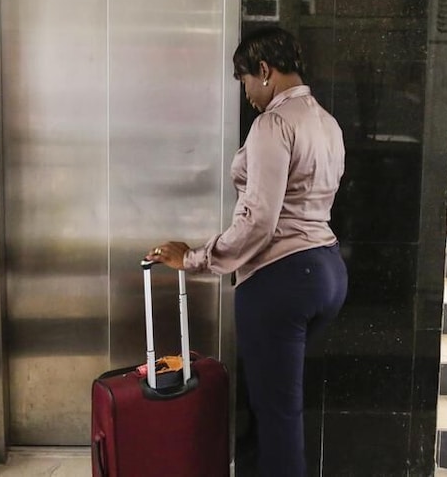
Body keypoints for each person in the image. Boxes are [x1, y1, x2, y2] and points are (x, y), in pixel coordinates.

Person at [146, 25, 347, 477]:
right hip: (328, 272)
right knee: (276, 404)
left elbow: (259, 221)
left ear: (264, 70)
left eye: (245, 81)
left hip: (282, 278)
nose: (248, 94)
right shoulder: (327, 122)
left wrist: (194, 259)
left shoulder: (272, 124)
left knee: (277, 414)